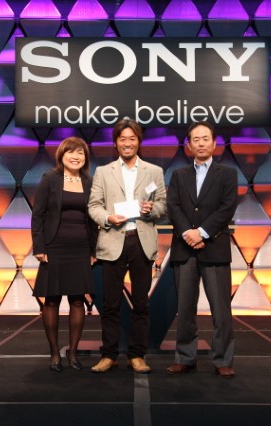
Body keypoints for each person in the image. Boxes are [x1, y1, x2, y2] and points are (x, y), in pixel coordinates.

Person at [88, 117, 167, 374]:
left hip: (141, 241)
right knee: (110, 303)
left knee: (141, 303)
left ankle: (137, 355)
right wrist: (108, 218)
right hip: (113, 239)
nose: (127, 143)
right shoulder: (103, 172)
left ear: (138, 142)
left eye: (132, 138)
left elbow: (163, 206)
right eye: (122, 139)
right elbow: (94, 206)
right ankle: (109, 355)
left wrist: (151, 209)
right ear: (116, 143)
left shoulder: (154, 171)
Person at [165, 121, 239, 379]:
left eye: (205, 138)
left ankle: (222, 359)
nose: (200, 143)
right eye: (195, 139)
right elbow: (173, 206)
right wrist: (188, 233)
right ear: (189, 145)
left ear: (214, 143)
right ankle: (185, 358)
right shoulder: (178, 175)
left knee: (221, 309)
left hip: (214, 248)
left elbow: (227, 207)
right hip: (185, 248)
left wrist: (203, 233)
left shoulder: (227, 174)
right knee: (185, 308)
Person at [32, 137, 97, 372]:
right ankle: (54, 354)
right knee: (51, 300)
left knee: (78, 300)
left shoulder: (89, 181)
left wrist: (94, 250)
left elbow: (94, 219)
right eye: (71, 152)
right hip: (54, 247)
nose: (75, 156)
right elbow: (38, 214)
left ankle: (73, 353)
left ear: (85, 158)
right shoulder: (50, 179)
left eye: (80, 152)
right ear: (62, 155)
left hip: (81, 248)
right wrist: (39, 247)